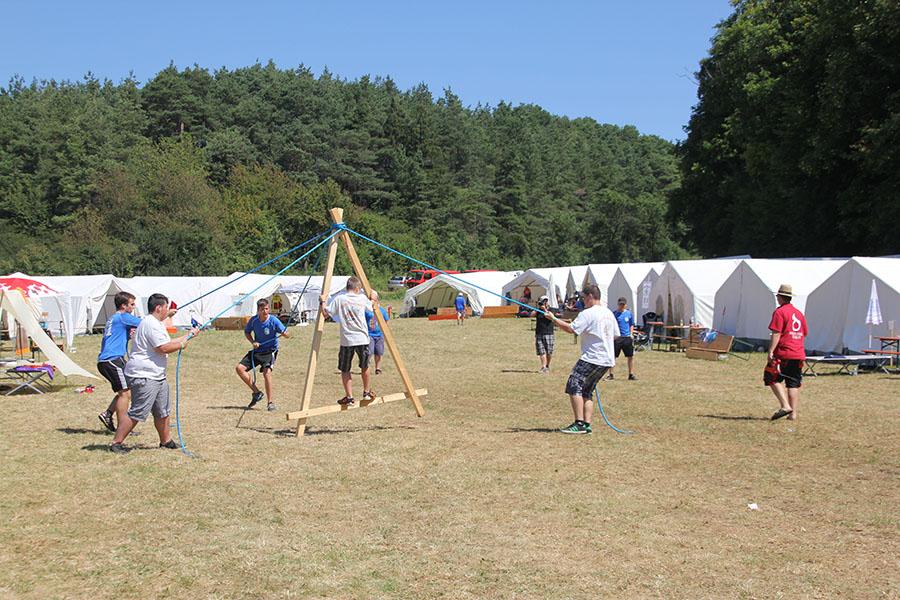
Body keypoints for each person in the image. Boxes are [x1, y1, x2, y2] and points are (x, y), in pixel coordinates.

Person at [109, 293, 199, 454]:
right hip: (144, 375)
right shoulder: (151, 324)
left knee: (162, 410)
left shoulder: (155, 323)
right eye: (166, 307)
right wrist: (181, 345)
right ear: (159, 308)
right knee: (138, 412)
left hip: (156, 375)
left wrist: (189, 335)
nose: (167, 310)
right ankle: (116, 443)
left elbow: (167, 342)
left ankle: (166, 441)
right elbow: (163, 348)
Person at [545, 284, 618, 434]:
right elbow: (616, 335)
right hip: (607, 360)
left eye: (583, 298)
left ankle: (579, 423)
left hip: (593, 357)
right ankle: (586, 425)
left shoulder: (587, 313)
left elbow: (571, 329)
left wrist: (553, 319)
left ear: (590, 296)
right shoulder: (609, 313)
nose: (582, 301)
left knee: (574, 384)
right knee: (587, 390)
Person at [321, 277, 374, 406]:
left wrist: (322, 301)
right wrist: (373, 298)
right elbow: (372, 307)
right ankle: (366, 392)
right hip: (362, 338)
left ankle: (349, 397)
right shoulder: (362, 298)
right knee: (365, 366)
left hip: (347, 339)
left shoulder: (340, 299)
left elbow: (326, 314)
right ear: (357, 288)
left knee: (345, 369)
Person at [96, 292, 143, 433]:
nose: (133, 307)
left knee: (127, 391)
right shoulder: (123, 317)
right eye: (132, 304)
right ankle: (123, 428)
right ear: (123, 306)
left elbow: (118, 336)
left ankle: (108, 413)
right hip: (112, 360)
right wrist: (167, 315)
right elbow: (147, 323)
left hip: (109, 360)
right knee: (125, 393)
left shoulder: (114, 318)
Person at [236, 298, 289, 411]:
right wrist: (253, 342)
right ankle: (256, 392)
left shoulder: (274, 320)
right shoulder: (254, 320)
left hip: (270, 351)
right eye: (262, 309)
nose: (265, 311)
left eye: (266, 309)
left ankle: (270, 403)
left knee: (266, 373)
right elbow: (247, 332)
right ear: (258, 311)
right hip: (257, 351)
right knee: (239, 368)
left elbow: (287, 334)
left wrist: (285, 334)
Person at [766, 284, 808, 421]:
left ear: (780, 297)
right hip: (798, 353)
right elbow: (804, 332)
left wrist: (771, 350)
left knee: (771, 377)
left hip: (784, 352)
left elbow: (776, 333)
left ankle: (785, 406)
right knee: (793, 383)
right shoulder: (799, 313)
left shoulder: (780, 312)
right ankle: (792, 414)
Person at [608, 297, 637, 381]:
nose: (622, 306)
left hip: (627, 337)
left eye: (623, 304)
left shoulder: (629, 314)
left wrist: (631, 333)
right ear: (618, 304)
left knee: (630, 356)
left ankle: (631, 374)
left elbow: (631, 324)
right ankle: (611, 374)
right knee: (613, 356)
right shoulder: (614, 314)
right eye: (620, 304)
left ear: (625, 305)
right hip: (618, 338)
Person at [530, 295, 559, 373]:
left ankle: (547, 366)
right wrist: (537, 309)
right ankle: (543, 367)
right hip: (539, 332)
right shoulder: (538, 310)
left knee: (549, 351)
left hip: (549, 333)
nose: (543, 303)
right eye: (542, 302)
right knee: (541, 351)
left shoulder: (551, 309)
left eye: (545, 302)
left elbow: (550, 317)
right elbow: (531, 315)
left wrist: (545, 309)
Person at [365, 290, 390, 375]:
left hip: (379, 335)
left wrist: (385, 331)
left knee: (379, 352)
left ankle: (378, 368)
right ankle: (366, 366)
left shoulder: (382, 310)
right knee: (369, 352)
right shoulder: (367, 310)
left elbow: (386, 320)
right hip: (369, 334)